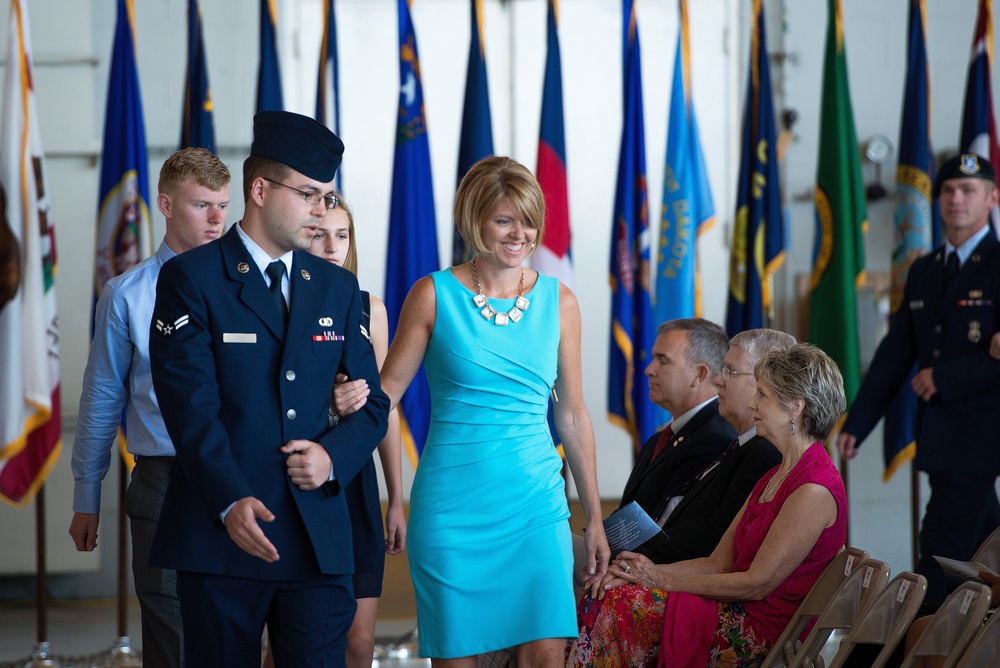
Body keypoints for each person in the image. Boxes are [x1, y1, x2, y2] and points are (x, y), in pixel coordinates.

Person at [148, 110, 389, 668]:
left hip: (319, 543)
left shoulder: (336, 285)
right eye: (309, 194)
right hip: (223, 539)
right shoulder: (192, 278)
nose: (321, 210)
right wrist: (230, 499)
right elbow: (190, 408)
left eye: (328, 198)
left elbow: (373, 404)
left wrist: (333, 455)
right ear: (259, 190)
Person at [352, 155, 608, 666]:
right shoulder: (432, 294)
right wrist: (329, 449)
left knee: (547, 655)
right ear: (475, 221)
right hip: (451, 513)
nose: (521, 233)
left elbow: (574, 415)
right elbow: (384, 400)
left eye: (529, 219)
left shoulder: (561, 302)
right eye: (505, 220)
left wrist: (595, 518)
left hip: (537, 507)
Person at [68, 147, 231, 668]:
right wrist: (86, 493)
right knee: (171, 633)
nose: (215, 219)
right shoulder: (127, 295)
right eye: (201, 205)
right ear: (164, 204)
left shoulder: (247, 288)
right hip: (164, 478)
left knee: (236, 625)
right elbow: (101, 399)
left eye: (223, 206)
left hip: (240, 474)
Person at [599, 343, 847, 667]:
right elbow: (718, 562)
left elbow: (757, 583)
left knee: (623, 605)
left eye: (763, 395)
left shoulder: (814, 487)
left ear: (795, 408)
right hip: (730, 610)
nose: (753, 403)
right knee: (612, 590)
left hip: (757, 634)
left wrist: (660, 580)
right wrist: (642, 573)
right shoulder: (776, 473)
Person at [567, 328, 793, 667]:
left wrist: (644, 571)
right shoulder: (740, 447)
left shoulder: (762, 454)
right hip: (681, 573)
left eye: (729, 371)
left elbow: (715, 548)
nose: (719, 380)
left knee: (607, 594)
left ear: (766, 387)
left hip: (730, 606)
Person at [837, 153, 1000, 604]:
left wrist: (945, 376)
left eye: (968, 190)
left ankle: (917, 640)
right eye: (948, 190)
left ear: (992, 198)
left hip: (981, 436)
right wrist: (858, 423)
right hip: (941, 438)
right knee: (984, 544)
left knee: (941, 552)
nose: (956, 199)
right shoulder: (925, 271)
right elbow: (895, 354)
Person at [306, 194, 407, 668]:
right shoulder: (282, 302)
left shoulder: (373, 309)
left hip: (356, 480)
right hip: (301, 476)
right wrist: (324, 400)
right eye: (321, 233)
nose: (332, 246)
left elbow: (384, 410)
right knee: (299, 643)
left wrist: (397, 499)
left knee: (360, 643)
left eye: (341, 235)